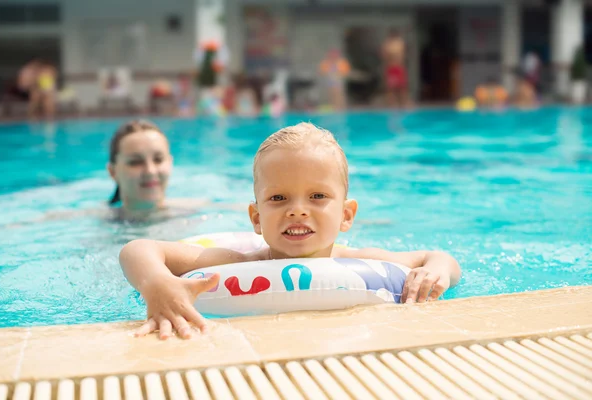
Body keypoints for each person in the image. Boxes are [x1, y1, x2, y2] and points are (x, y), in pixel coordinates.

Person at [119, 122, 462, 339]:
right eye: (279, 197)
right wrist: (157, 284)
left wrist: (435, 272)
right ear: (256, 218)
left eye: (317, 196)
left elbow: (438, 257)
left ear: (346, 215)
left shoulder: (364, 260)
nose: (297, 209)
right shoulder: (231, 263)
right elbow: (138, 248)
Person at [107, 119, 211, 221]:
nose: (150, 171)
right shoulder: (98, 220)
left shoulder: (201, 212)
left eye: (158, 160)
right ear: (113, 172)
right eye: (136, 162)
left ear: (170, 164)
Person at [381, 29, 411, 108]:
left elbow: (402, 55)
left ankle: (403, 103)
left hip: (397, 67)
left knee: (402, 87)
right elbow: (384, 56)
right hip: (392, 67)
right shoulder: (389, 44)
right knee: (391, 88)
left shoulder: (399, 43)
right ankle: (393, 104)